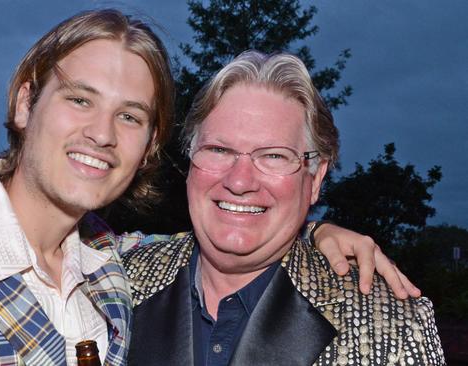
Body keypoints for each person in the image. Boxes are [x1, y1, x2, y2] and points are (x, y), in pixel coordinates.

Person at [0, 9, 417, 366]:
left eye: (130, 115)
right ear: (26, 102)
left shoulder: (112, 265)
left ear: (149, 145)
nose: (101, 133)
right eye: (80, 99)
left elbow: (251, 223)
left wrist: (314, 230)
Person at [124, 50, 445, 365]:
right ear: (190, 161)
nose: (239, 181)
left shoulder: (392, 328)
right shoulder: (111, 285)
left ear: (316, 178)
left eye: (274, 156)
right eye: (219, 149)